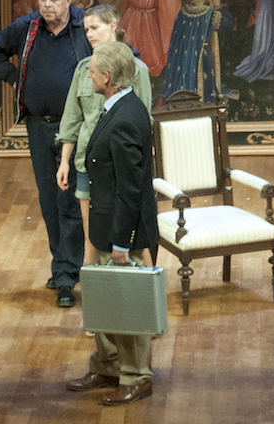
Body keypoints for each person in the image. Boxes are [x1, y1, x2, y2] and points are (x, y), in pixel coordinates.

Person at [0, 0, 95, 306]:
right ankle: (63, 265)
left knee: (69, 200)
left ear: (68, 1)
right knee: (49, 200)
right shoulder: (28, 26)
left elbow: (122, 55)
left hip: (75, 129)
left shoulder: (84, 26)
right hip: (38, 127)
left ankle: (66, 275)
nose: (46, 5)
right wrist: (14, 78)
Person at [63, 43, 159, 405]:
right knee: (105, 299)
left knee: (127, 305)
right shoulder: (118, 107)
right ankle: (107, 366)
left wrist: (121, 242)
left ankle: (136, 376)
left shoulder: (125, 119)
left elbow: (129, 189)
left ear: (108, 77)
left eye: (92, 72)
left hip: (122, 231)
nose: (88, 76)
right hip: (106, 224)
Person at [56, 5, 152, 266]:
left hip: (119, 166)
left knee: (131, 236)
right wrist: (64, 161)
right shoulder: (83, 69)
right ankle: (93, 283)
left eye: (94, 27)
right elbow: (72, 118)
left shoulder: (137, 69)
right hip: (86, 163)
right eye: (86, 29)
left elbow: (143, 123)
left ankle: (147, 281)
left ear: (112, 26)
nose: (89, 34)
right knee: (91, 237)